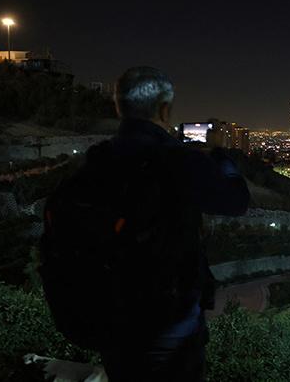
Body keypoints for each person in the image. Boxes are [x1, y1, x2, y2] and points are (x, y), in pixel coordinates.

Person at [95, 66, 249, 380]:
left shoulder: (96, 160)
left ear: (118, 106)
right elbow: (236, 201)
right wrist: (220, 152)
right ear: (165, 109)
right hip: (170, 323)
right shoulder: (177, 161)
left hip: (111, 319)